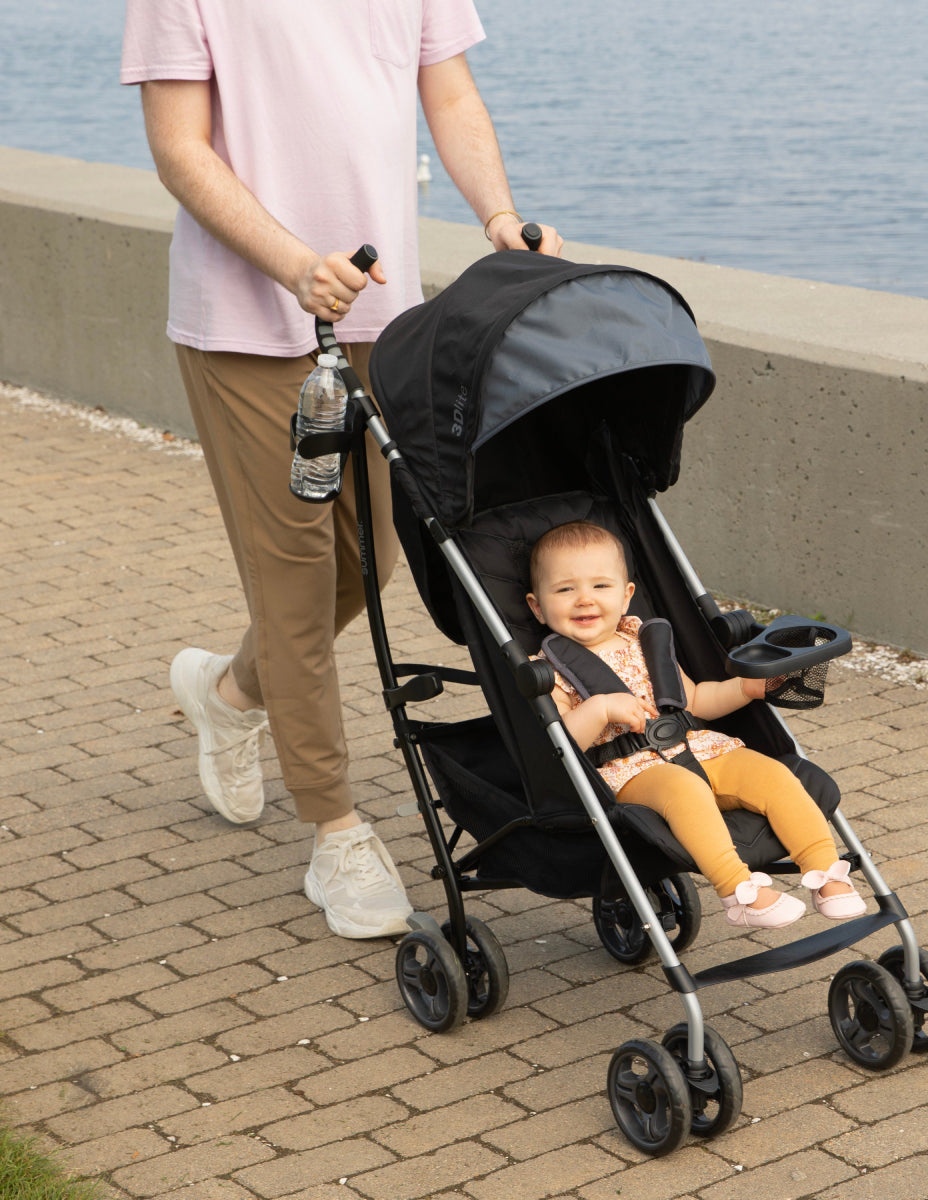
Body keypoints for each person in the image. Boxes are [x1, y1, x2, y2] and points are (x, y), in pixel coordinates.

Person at [121, 0, 562, 940]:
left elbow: (450, 93)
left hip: (379, 316)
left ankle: (230, 694)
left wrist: (498, 213)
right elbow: (179, 148)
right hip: (247, 324)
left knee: (369, 562)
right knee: (293, 579)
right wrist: (293, 265)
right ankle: (335, 830)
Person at [525, 521, 867, 929]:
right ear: (537, 607)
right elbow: (559, 744)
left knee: (775, 775)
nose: (585, 599)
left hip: (699, 747)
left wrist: (745, 688)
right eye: (565, 590)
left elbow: (696, 700)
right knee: (684, 789)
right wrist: (598, 709)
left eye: (601, 586)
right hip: (632, 771)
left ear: (626, 595)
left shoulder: (645, 643)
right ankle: (739, 892)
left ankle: (825, 872)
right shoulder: (548, 671)